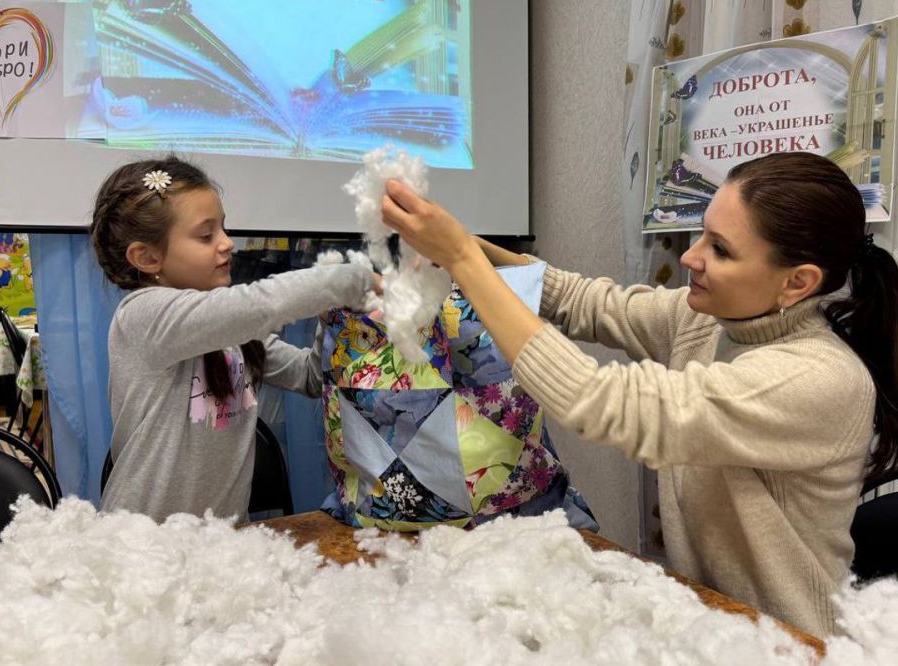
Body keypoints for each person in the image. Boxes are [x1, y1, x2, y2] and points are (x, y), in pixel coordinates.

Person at [380, 151, 898, 637]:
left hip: (789, 640)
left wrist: (466, 262)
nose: (692, 256)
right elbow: (584, 301)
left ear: (797, 283)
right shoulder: (707, 319)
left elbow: (597, 400)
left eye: (720, 249)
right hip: (710, 622)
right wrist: (461, 244)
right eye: (702, 233)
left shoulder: (817, 379)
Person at [91, 157, 376, 523]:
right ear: (146, 257)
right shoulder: (142, 315)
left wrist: (331, 320)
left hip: (222, 546)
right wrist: (350, 280)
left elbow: (311, 376)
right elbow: (259, 305)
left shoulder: (235, 336)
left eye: (224, 229)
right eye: (206, 235)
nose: (227, 244)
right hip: (142, 546)